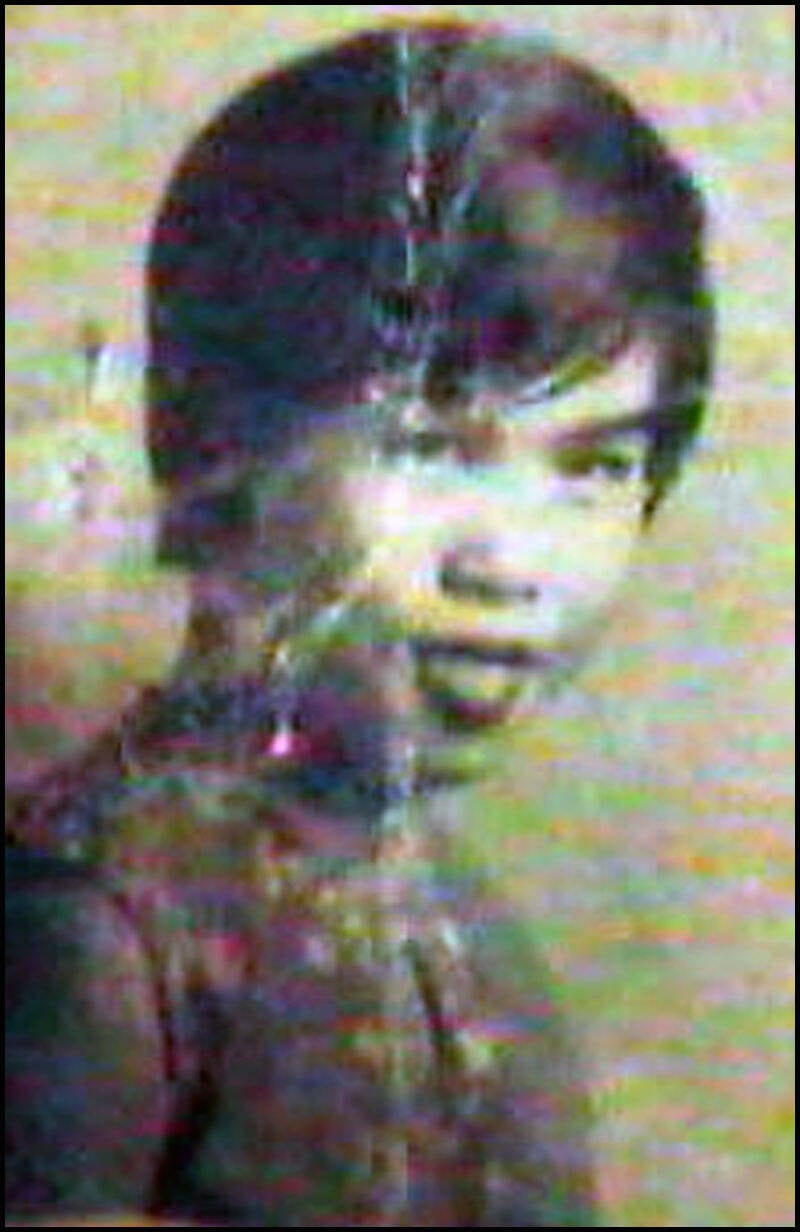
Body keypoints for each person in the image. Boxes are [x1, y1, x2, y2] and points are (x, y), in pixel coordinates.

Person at [6, 19, 714, 1227]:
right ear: (221, 449)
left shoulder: (481, 950)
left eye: (593, 467)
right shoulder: (95, 922)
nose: (512, 561)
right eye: (430, 449)